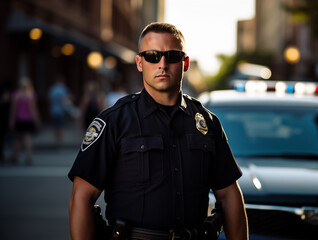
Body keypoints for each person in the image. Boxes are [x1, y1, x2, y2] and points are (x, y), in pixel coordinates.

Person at [68, 22, 248, 240]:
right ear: (140, 63)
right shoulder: (114, 121)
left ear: (185, 63)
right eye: (152, 56)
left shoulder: (208, 123)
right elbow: (81, 198)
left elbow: (229, 196)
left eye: (172, 56)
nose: (162, 64)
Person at [9, 77, 41, 165]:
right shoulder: (31, 95)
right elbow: (33, 110)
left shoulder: (16, 95)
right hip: (28, 119)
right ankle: (28, 157)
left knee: (17, 139)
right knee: (28, 138)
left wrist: (11, 120)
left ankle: (15, 156)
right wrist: (37, 120)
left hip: (19, 119)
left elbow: (13, 110)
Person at [48, 76, 71, 147]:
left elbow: (49, 99)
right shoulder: (63, 89)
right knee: (60, 127)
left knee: (55, 127)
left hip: (53, 110)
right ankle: (60, 142)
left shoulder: (52, 89)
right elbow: (65, 100)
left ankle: (56, 142)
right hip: (61, 111)